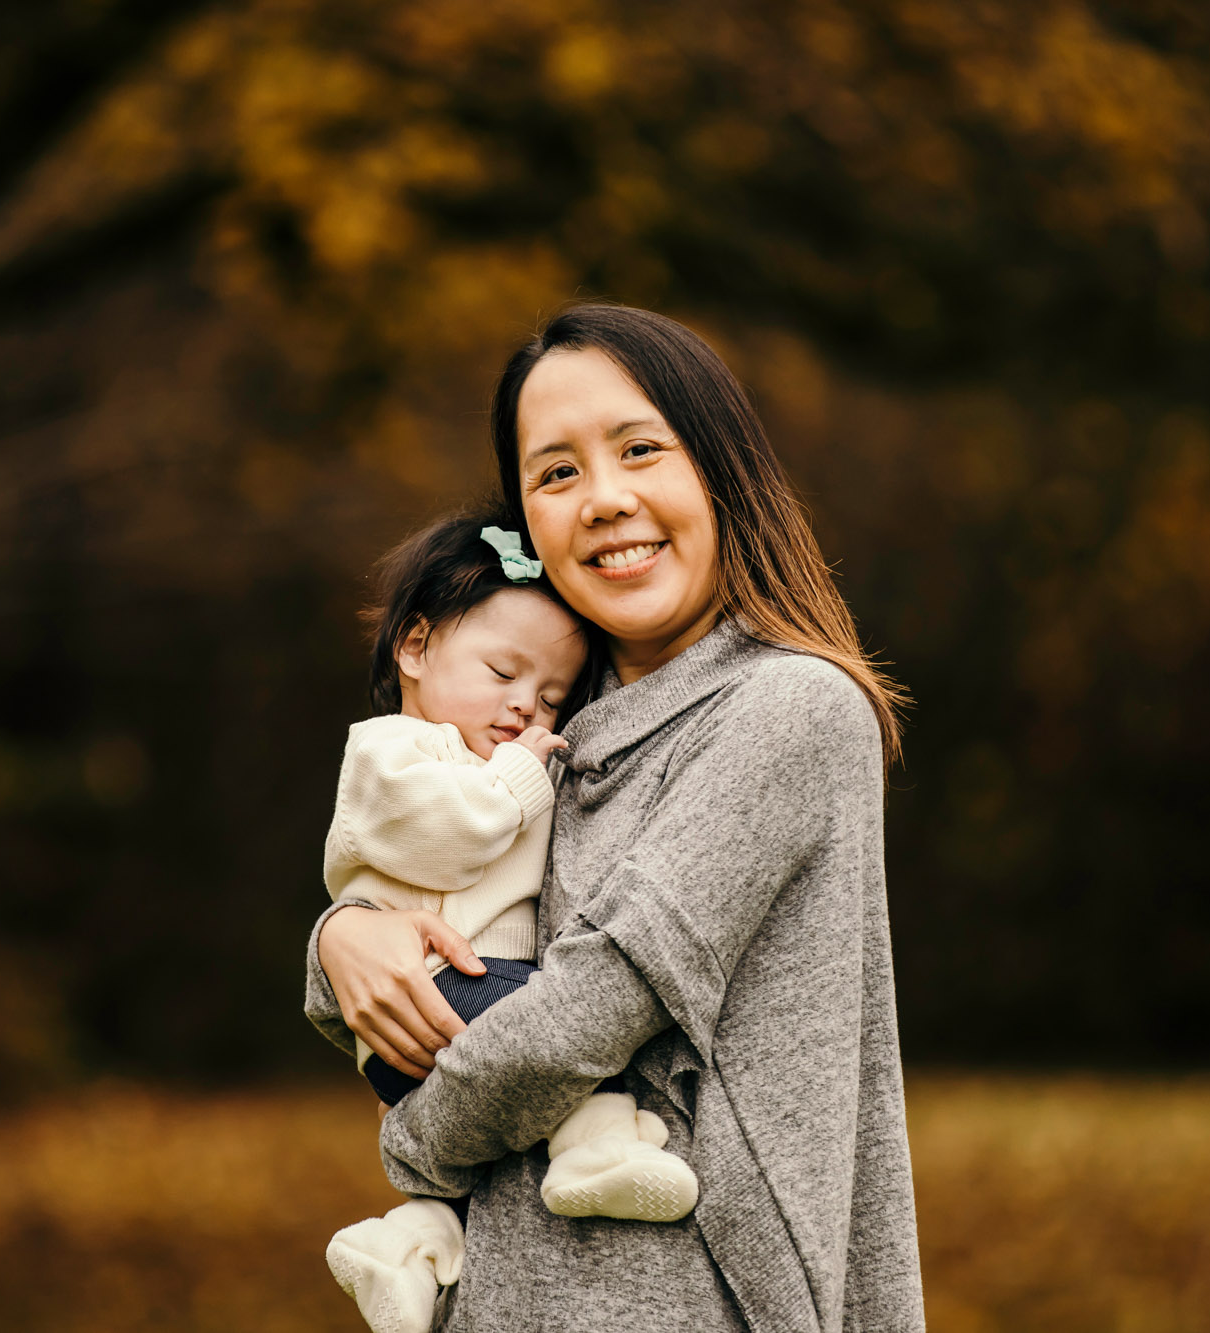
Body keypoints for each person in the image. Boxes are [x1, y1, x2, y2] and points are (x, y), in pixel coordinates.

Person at [305, 304, 925, 1331]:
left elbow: (588, 1006)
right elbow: (392, 931)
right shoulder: (543, 722)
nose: (602, 499)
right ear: (524, 525)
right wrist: (344, 932)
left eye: (640, 449)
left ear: (720, 472)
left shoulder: (787, 709)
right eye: (554, 473)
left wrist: (411, 1144)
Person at [321, 509, 702, 1333]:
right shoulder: (391, 751)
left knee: (473, 1170)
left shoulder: (491, 757)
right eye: (501, 671)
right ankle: (598, 1148)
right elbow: (451, 837)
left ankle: (407, 1247)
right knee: (552, 1027)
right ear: (414, 647)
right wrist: (524, 778)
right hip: (440, 987)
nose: (523, 708)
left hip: (452, 996)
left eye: (551, 697)